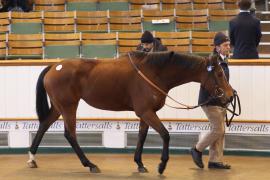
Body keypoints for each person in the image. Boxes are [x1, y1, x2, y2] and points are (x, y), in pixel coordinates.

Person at [190, 32, 231, 169]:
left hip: (220, 101)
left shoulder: (223, 59)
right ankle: (197, 149)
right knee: (218, 129)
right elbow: (208, 82)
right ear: (217, 47)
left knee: (220, 130)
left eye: (228, 44)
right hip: (210, 101)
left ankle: (215, 161)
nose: (228, 47)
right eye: (225, 45)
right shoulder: (211, 61)